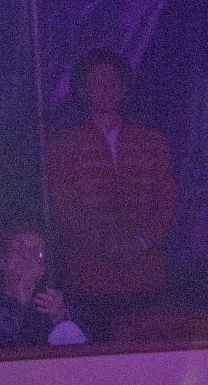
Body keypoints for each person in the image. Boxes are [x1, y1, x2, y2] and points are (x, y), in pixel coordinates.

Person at [46, 49, 177, 340]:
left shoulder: (150, 140)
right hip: (89, 276)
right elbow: (62, 204)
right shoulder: (66, 144)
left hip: (146, 274)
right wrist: (103, 243)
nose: (105, 89)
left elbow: (167, 199)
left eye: (112, 82)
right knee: (96, 349)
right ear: (83, 91)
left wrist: (143, 240)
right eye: (97, 82)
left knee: (147, 350)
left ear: (124, 89)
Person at [0, 223, 87, 348]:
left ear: (43, 267)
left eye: (36, 252)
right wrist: (18, 300)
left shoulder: (58, 305)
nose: (27, 257)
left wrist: (60, 320)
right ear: (2, 259)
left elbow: (85, 353)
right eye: (19, 248)